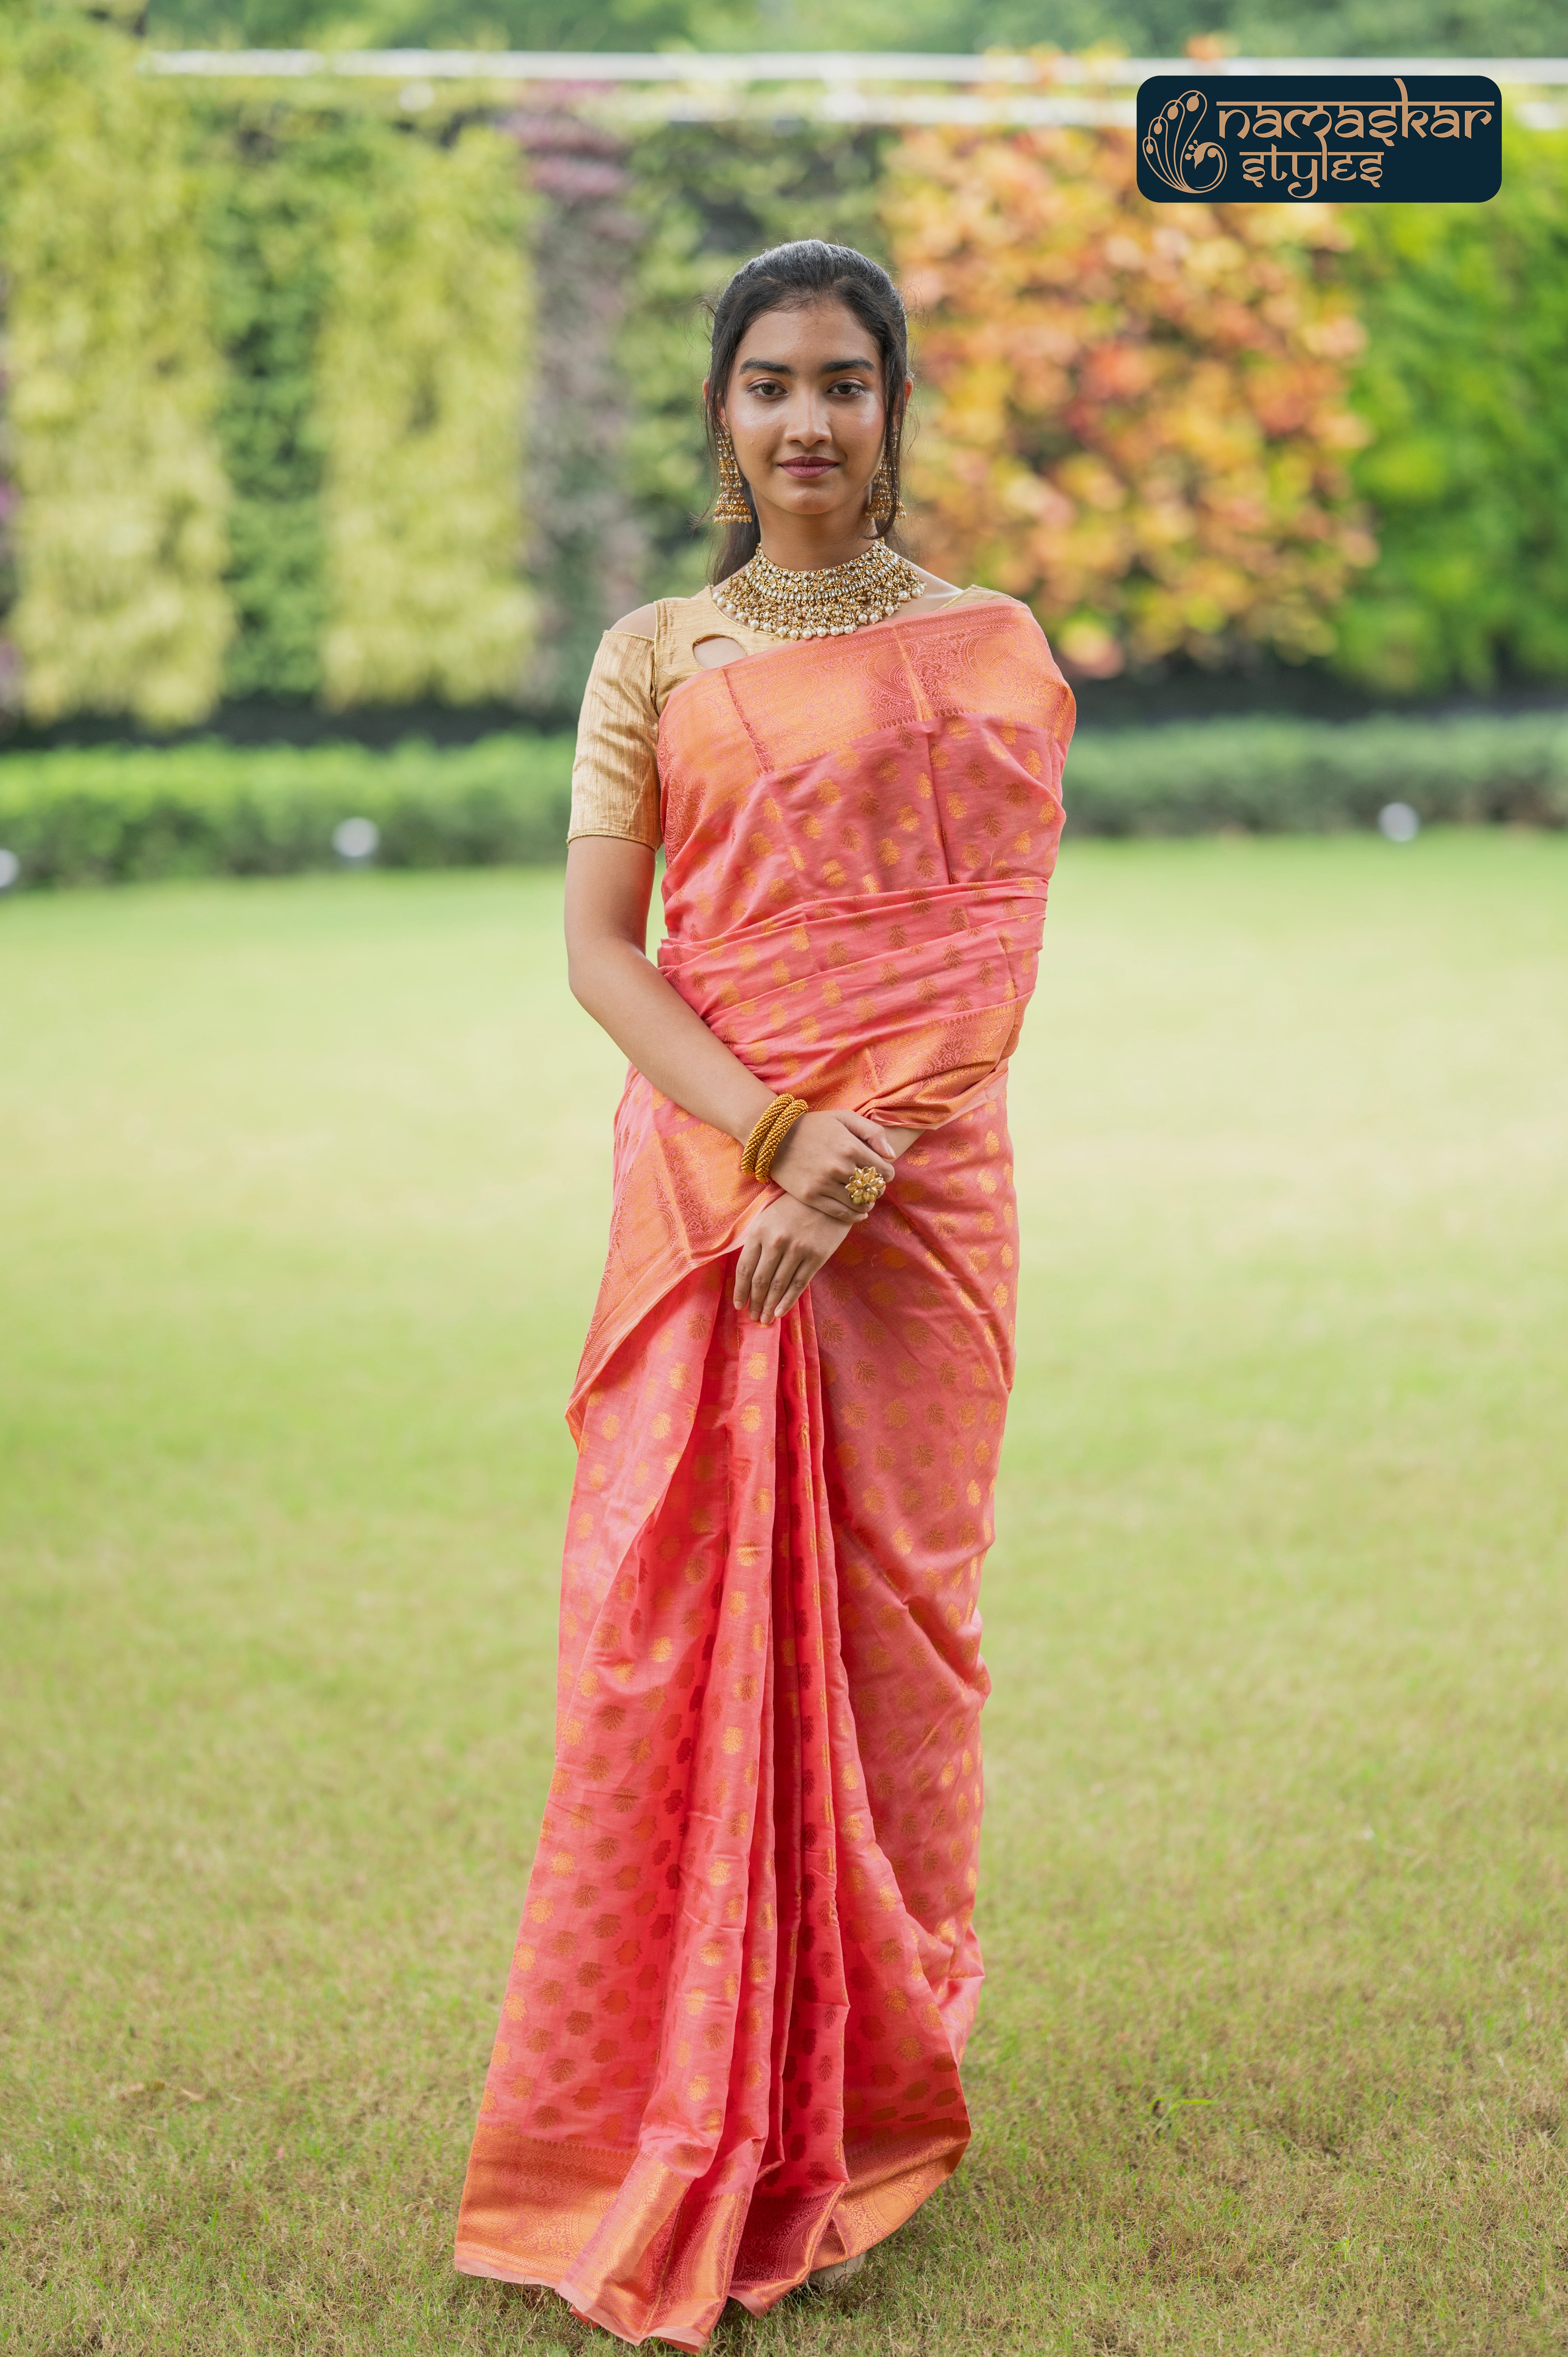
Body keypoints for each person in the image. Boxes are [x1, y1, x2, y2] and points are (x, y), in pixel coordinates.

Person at [454, 238, 1074, 2350]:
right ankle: (664, 2095)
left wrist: (859, 1155)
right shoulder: (652, 654)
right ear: (717, 418)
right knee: (663, 1638)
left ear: (892, 406)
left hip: (917, 1213)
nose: (804, 418)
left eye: (841, 380)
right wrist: (768, 1148)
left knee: (903, 1625)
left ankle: (879, 2073)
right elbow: (599, 949)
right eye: (764, 384)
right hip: (715, 1197)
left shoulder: (986, 649)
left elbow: (986, 955)